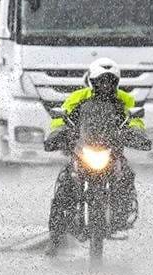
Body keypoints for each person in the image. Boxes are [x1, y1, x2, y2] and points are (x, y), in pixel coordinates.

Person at [45, 58, 143, 254]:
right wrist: (59, 132)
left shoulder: (125, 99)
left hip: (111, 151)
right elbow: (61, 118)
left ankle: (120, 216)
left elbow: (135, 121)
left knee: (126, 176)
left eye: (110, 81)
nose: (105, 85)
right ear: (91, 80)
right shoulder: (79, 97)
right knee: (65, 185)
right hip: (84, 149)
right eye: (101, 80)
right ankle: (55, 237)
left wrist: (137, 134)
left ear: (116, 82)